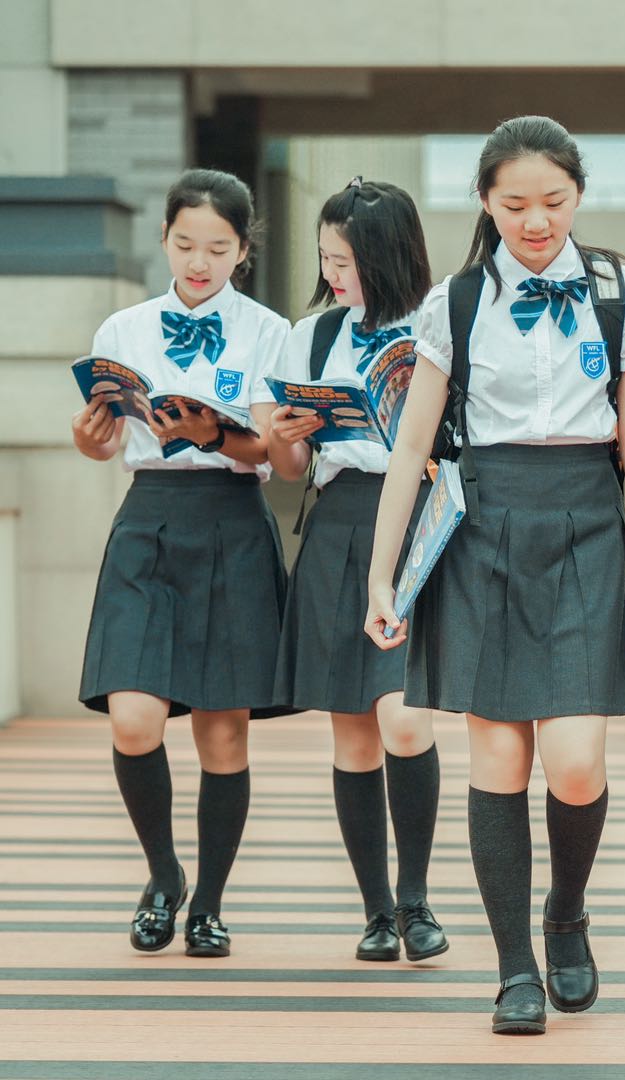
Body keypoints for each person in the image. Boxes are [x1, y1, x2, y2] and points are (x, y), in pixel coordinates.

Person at [363, 116, 625, 1036]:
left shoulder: (623, 289)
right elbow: (412, 442)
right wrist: (383, 577)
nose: (535, 222)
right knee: (498, 757)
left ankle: (566, 912)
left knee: (575, 763)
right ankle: (514, 969)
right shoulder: (454, 302)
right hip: (483, 524)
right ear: (486, 203)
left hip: (585, 521)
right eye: (514, 205)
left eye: (553, 202)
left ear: (578, 195)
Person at [74, 168, 290, 959]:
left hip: (231, 521)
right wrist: (89, 435)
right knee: (134, 718)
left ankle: (209, 902)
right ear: (164, 239)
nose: (200, 262)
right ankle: (162, 875)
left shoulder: (269, 330)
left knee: (222, 734)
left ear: (243, 250)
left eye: (219, 248)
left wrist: (214, 435)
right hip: (148, 520)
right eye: (186, 244)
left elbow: (271, 448)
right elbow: (98, 438)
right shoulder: (122, 328)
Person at [261, 178, 446, 964]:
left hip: (417, 519)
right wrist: (281, 432)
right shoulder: (311, 334)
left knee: (405, 716)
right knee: (354, 732)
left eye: (347, 259)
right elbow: (291, 466)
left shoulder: (441, 320)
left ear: (387, 254)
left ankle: (417, 899)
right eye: (326, 258)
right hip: (337, 523)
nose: (334, 274)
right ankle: (376, 911)